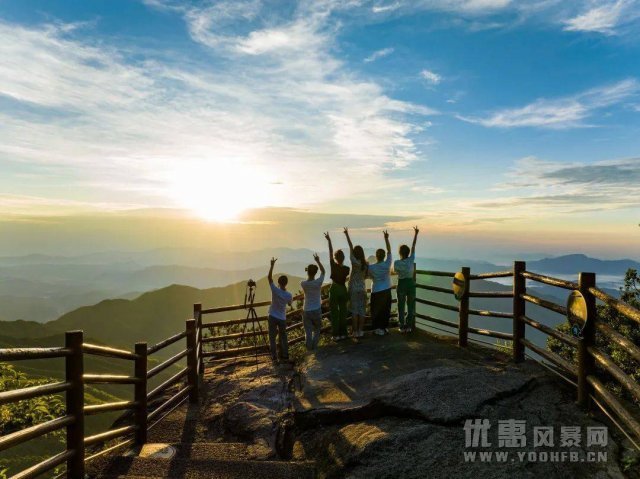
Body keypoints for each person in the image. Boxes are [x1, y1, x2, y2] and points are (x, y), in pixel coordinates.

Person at [324, 232, 350, 340]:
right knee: (343, 312)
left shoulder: (333, 265)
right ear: (343, 258)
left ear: (335, 258)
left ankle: (336, 335)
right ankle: (344, 333)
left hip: (334, 289)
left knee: (334, 312)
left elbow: (330, 252)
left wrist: (329, 240)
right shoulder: (347, 269)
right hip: (343, 289)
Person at [394, 226, 419, 333]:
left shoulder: (397, 263)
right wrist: (416, 234)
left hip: (402, 283)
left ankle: (401, 325)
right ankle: (409, 326)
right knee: (410, 305)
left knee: (401, 305)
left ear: (400, 253)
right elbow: (414, 246)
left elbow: (396, 272)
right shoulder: (411, 259)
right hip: (411, 283)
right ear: (408, 252)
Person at [344, 227, 367, 338]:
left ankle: (355, 332)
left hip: (353, 288)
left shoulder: (354, 261)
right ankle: (361, 331)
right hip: (362, 289)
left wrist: (347, 234)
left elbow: (350, 246)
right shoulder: (365, 264)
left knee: (354, 311)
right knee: (362, 311)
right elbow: (366, 276)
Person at [267, 257, 292, 361]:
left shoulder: (275, 290)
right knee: (283, 337)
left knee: (272, 337)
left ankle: (274, 356)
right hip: (282, 317)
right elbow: (290, 304)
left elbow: (269, 278)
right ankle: (285, 355)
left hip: (272, 315)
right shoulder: (288, 295)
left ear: (278, 282)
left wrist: (272, 265)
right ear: (286, 283)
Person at [368, 230, 392, 336]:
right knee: (386, 309)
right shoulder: (387, 264)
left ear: (376, 256)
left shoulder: (371, 268)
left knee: (376, 310)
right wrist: (386, 238)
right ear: (383, 256)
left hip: (376, 290)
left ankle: (378, 328)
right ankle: (384, 327)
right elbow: (389, 251)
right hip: (386, 289)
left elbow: (368, 276)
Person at [300, 253, 325, 351]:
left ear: (307, 272)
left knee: (308, 331)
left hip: (306, 310)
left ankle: (309, 349)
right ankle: (315, 347)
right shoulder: (318, 282)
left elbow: (307, 279)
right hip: (317, 309)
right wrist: (318, 261)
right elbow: (323, 271)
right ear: (315, 273)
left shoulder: (303, 284)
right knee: (317, 329)